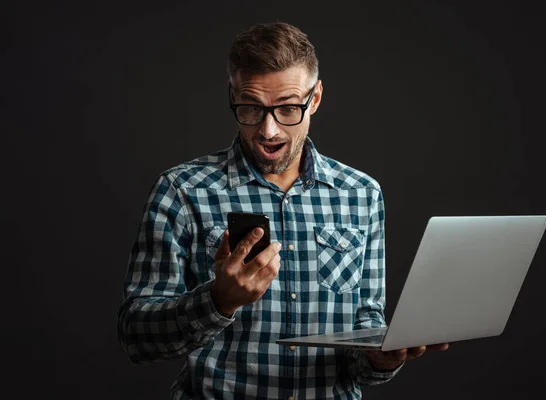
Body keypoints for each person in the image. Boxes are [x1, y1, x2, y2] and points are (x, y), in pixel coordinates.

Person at [117, 21, 448, 399]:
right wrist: (217, 301)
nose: (269, 131)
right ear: (232, 95)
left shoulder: (361, 193)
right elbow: (136, 338)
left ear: (316, 98)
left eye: (289, 108)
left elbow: (365, 334)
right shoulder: (181, 190)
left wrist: (383, 360)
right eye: (251, 108)